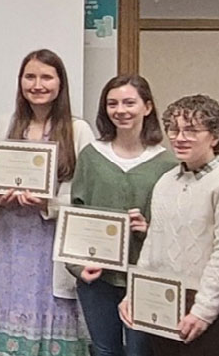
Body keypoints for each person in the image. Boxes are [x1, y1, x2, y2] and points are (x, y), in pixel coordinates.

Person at [0, 49, 93, 356]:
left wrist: (47, 203)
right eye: (30, 77)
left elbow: (86, 194)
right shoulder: (3, 124)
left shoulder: (78, 130)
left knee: (56, 307)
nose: (37, 85)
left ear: (60, 83)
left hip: (52, 239)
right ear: (20, 82)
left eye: (46, 77)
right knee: (9, 304)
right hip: (11, 237)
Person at [117, 95, 219, 356]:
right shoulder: (166, 181)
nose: (179, 138)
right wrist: (135, 294)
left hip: (214, 312)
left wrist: (203, 311)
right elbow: (153, 245)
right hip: (167, 307)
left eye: (191, 130)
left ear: (214, 136)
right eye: (174, 129)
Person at [68, 75, 176, 356]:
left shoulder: (168, 163)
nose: (121, 110)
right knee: (104, 350)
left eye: (130, 102)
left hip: (145, 277)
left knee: (140, 351)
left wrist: (149, 228)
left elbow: (177, 227)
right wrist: (78, 268)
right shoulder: (91, 156)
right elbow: (76, 216)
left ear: (147, 107)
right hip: (98, 278)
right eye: (112, 103)